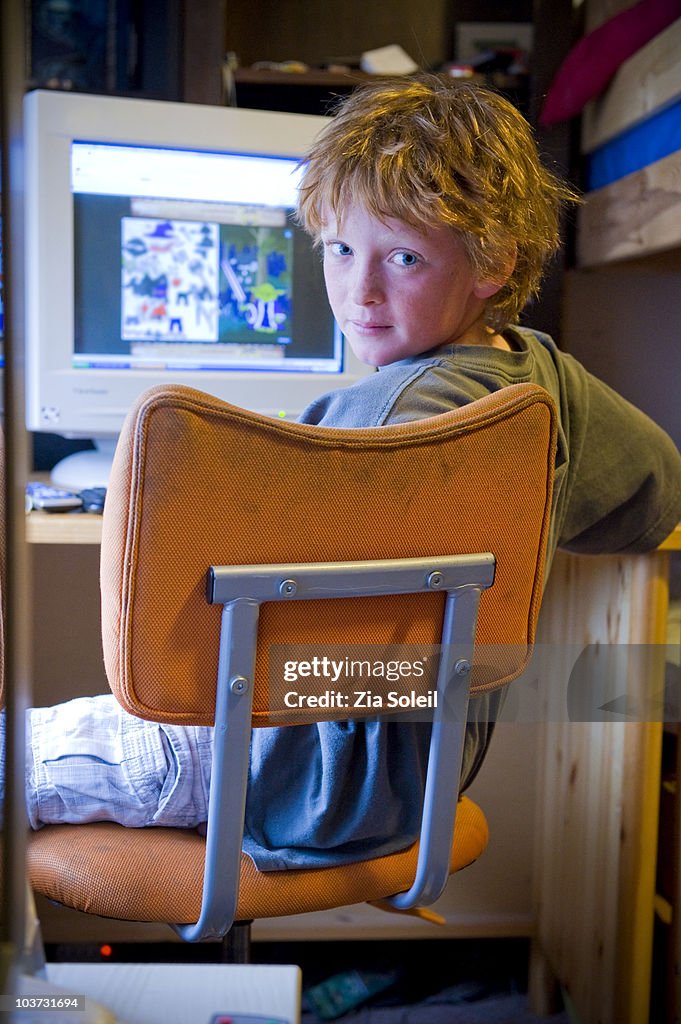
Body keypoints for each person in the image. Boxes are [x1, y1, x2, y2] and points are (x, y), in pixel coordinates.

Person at [4, 74, 681, 870]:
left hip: (261, 766)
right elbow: (656, 496)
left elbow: (194, 657)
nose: (358, 293)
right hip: (410, 786)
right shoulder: (543, 380)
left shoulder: (370, 431)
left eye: (401, 257)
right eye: (340, 249)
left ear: (493, 260)